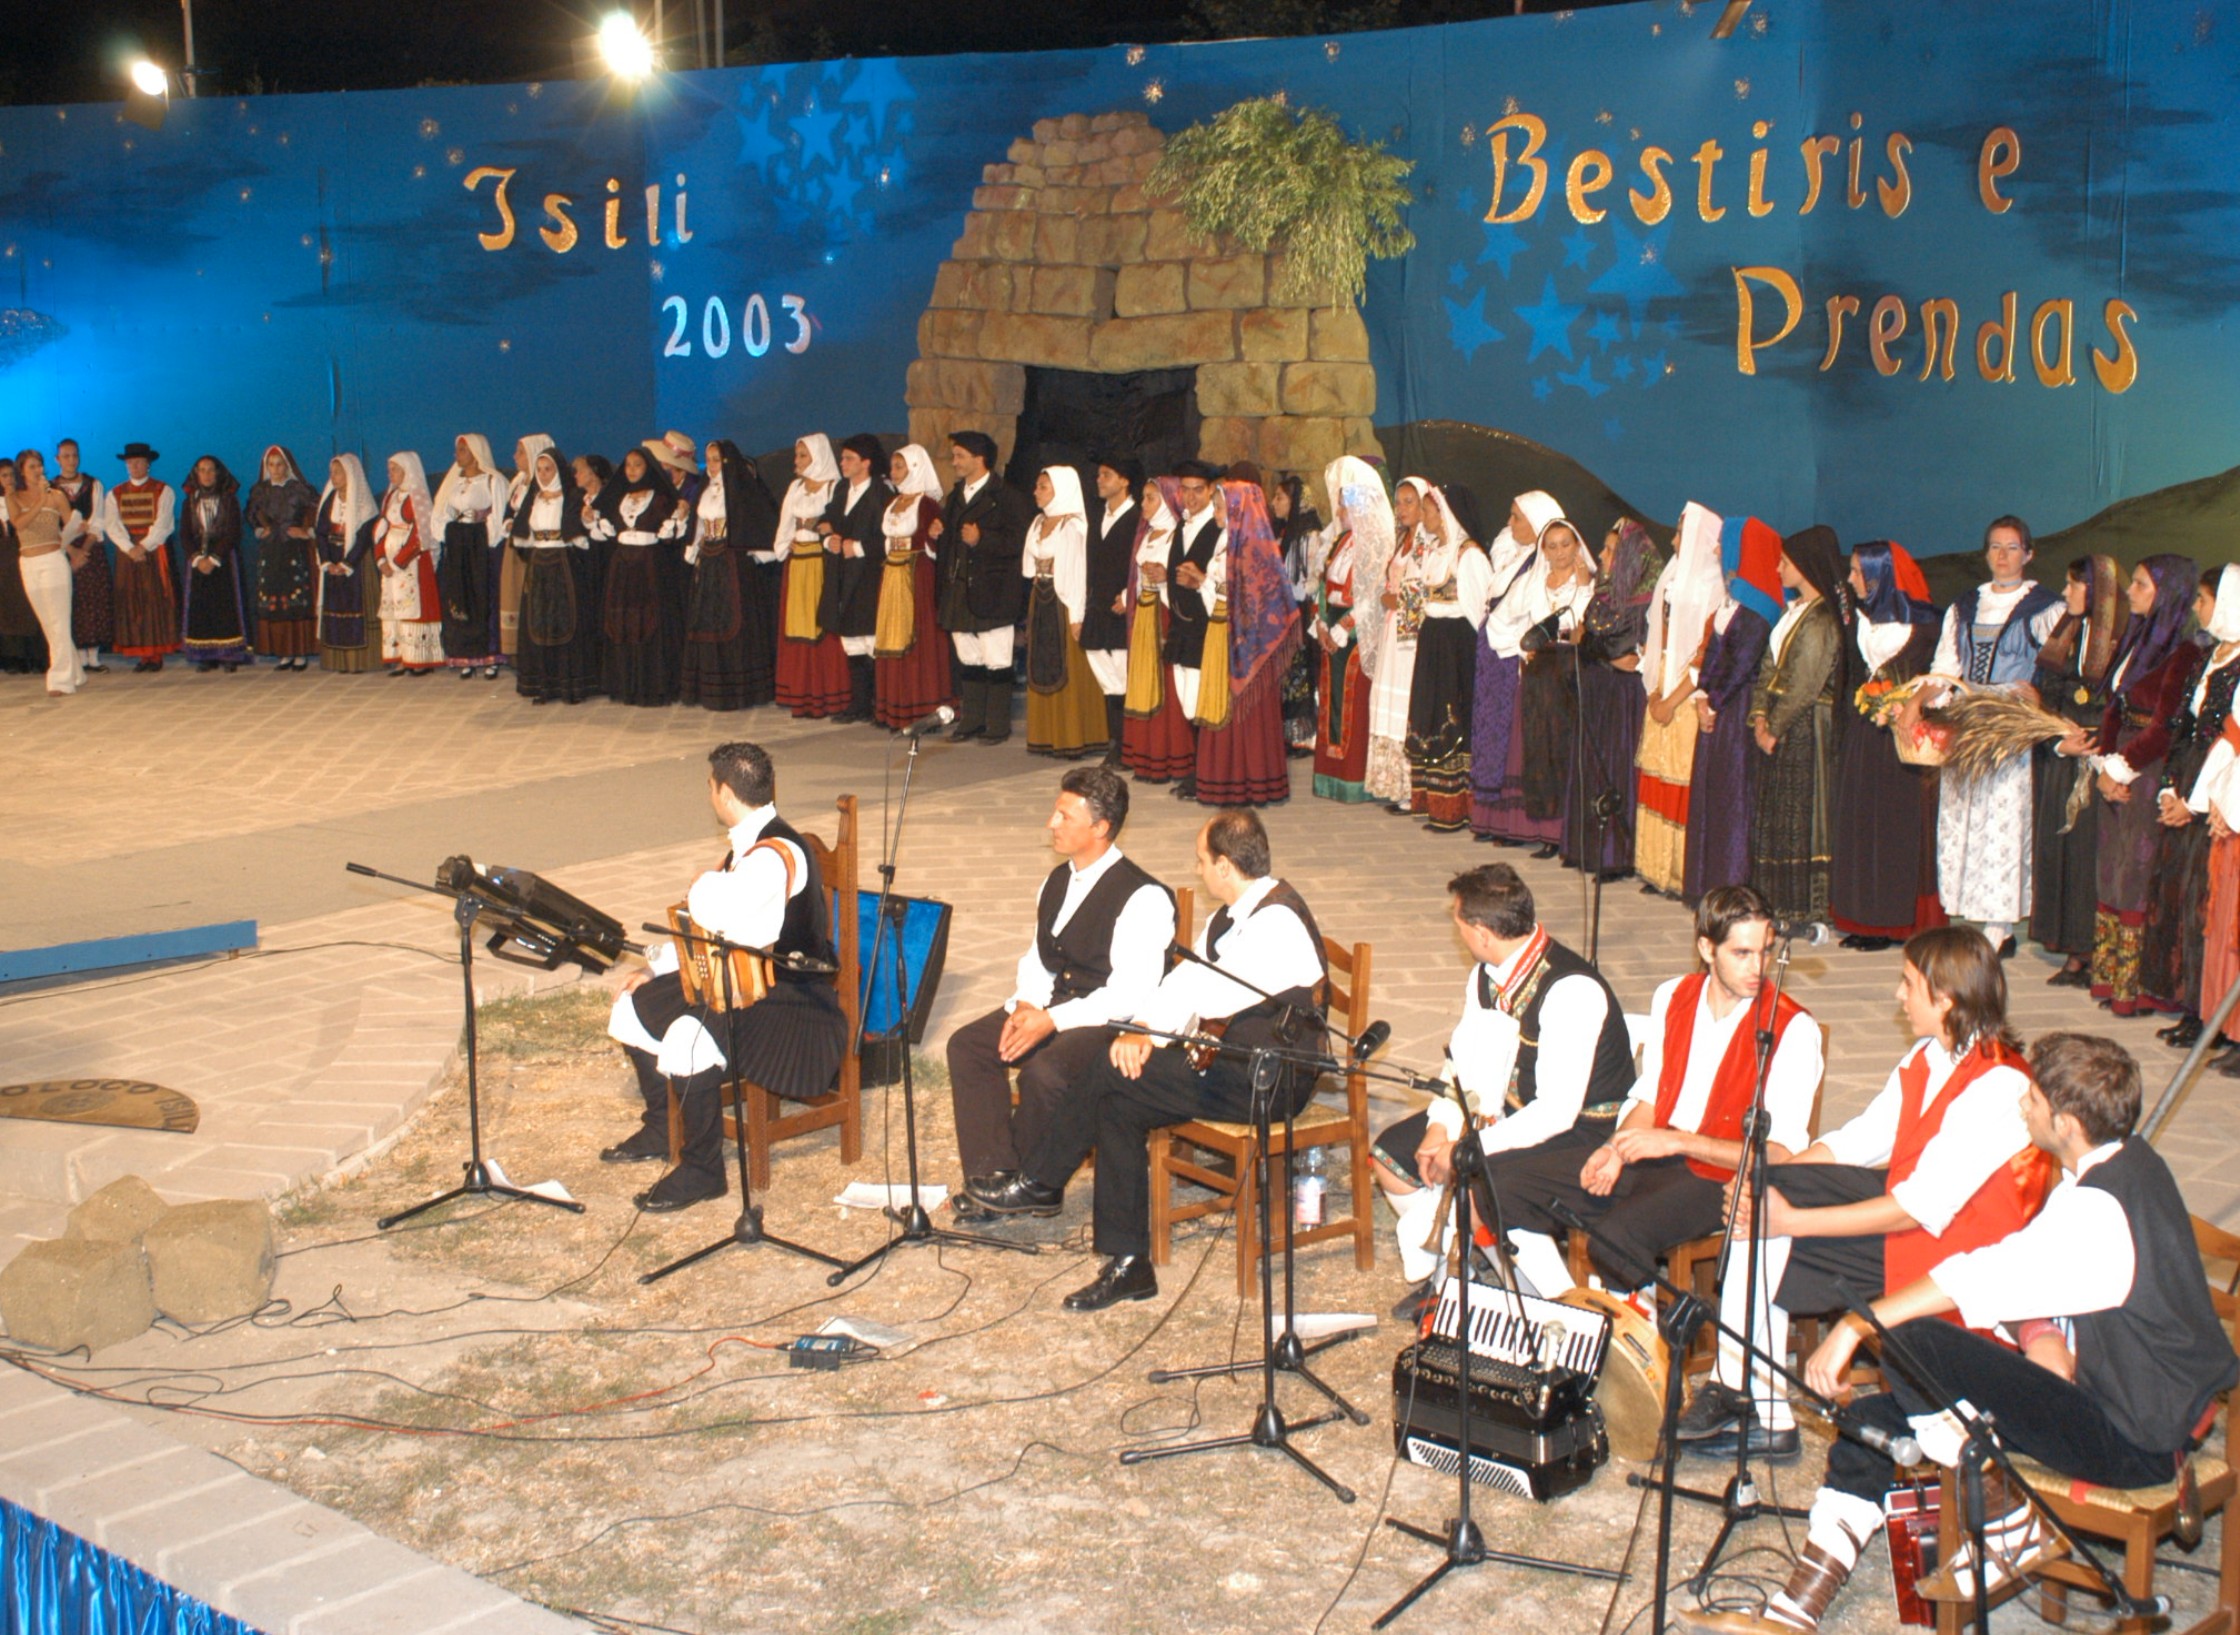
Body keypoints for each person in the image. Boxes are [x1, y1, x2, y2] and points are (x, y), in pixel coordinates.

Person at [1686, 1032, 2240, 1633]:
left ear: (2069, 1122)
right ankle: (1795, 1612)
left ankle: (2005, 1518)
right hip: (2105, 1397)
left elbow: (1979, 1277)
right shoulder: (2127, 1163)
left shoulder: (2097, 1211)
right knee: (1875, 1421)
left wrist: (1855, 1324)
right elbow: (2038, 1273)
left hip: (2134, 1441)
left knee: (1913, 1339)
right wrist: (2041, 1334)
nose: (2022, 1107)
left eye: (2031, 1099)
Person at [1676, 926, 2052, 1461]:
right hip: (1914, 1223)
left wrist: (1793, 1220)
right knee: (1760, 1202)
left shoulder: (1999, 1084)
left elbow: (1914, 1209)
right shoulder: (1927, 1056)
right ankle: (1750, 1398)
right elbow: (1861, 1140)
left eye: (1908, 984)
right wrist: (1769, 1179)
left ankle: (1751, 1400)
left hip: (1955, 1252)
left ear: (1945, 999)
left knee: (1774, 1230)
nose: (1898, 996)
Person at [973, 811, 1326, 1312]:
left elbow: (1212, 993)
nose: (1199, 871)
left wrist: (1144, 1036)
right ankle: (1128, 1263)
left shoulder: (1277, 922)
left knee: (1110, 1069)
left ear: (1226, 866)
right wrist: (1143, 1031)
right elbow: (1182, 982)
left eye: (1203, 862)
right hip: (1227, 1061)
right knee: (1119, 1101)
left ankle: (1041, 1179)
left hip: (1268, 1079)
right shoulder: (1230, 915)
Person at [1478, 885, 1824, 1299]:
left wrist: (1675, 1141)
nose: (1758, 966)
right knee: (1497, 1182)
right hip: (1659, 1154)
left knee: (1616, 1235)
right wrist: (1615, 1148)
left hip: (1723, 1177)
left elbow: (1781, 1154)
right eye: (1742, 953)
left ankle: (1641, 1338)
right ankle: (1569, 1308)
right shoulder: (1673, 995)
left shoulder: (1792, 1029)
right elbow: (1651, 1094)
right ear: (1707, 948)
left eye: (1765, 951)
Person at [1370, 863, 1635, 1305]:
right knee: (1390, 1157)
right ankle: (1458, 1271)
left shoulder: (1571, 991)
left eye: (1460, 926)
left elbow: (1555, 1112)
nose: (1460, 937)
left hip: (1581, 1131)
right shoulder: (1485, 975)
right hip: (1504, 1111)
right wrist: (1441, 1125)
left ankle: (1549, 1305)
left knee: (1485, 1183)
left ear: (1482, 932)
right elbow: (1463, 1060)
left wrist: (1469, 1148)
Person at [604, 741, 849, 1210]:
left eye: (711, 787)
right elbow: (715, 941)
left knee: (685, 1036)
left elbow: (715, 913)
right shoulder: (748, 847)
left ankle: (702, 1171)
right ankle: (662, 1125)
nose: (710, 796)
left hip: (790, 1005)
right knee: (632, 1004)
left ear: (726, 794)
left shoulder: (770, 857)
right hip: (742, 982)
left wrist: (704, 883)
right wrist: (655, 968)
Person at [946, 768, 1175, 1215]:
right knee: (969, 1046)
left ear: (1100, 828)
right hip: (1054, 1004)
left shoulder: (1144, 897)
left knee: (1046, 1072)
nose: (1051, 823)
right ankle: (995, 1175)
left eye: (1064, 816)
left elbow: (1130, 993)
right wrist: (1028, 1003)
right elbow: (1039, 956)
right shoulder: (1055, 880)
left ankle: (1034, 1183)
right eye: (1055, 812)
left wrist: (1051, 1021)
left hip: (1111, 1022)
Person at [1929, 516, 2064, 956]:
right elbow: (1946, 668)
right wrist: (1919, 701)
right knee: (1962, 818)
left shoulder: (2045, 606)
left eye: (2011, 548)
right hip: (1969, 722)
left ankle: (1999, 924)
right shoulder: (1965, 606)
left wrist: (2038, 694)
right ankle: (1968, 914)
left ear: (2028, 553)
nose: (2002, 557)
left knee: (2002, 825)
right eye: (1994, 547)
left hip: (2009, 728)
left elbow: (2060, 666)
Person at [2085, 554, 2203, 1013]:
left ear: (2166, 592)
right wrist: (2103, 767)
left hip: (2146, 768)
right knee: (2111, 865)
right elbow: (2113, 706)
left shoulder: (2184, 651)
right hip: (2119, 762)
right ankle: (2108, 977)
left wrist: (2122, 768)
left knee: (2136, 870)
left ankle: (2132, 988)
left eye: (2139, 584)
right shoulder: (2136, 639)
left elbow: (2166, 724)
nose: (2129, 592)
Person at [2140, 565, 2240, 1038]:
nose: (2199, 609)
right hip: (2190, 780)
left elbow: (2229, 744)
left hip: (2218, 792)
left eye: (2206, 599)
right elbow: (2182, 726)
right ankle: (2193, 1006)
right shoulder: (2209, 657)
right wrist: (2168, 789)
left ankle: (2213, 1018)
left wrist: (2197, 803)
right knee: (2181, 901)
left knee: (2208, 908)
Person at [1830, 541, 1944, 949]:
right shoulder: (1861, 621)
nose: (1851, 579)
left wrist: (1910, 705)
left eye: (1858, 571)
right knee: (1862, 820)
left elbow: (1940, 679)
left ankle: (1892, 919)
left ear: (1880, 576)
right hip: (1866, 732)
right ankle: (1863, 914)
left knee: (1896, 826)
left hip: (1906, 739)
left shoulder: (1927, 626)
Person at [2030, 556, 2127, 986]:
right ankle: (2072, 948)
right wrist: (2056, 739)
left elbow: (2122, 705)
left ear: (2098, 592)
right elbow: (2042, 695)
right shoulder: (2065, 636)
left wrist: (2090, 743)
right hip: (2062, 757)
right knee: (2062, 852)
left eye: (2074, 586)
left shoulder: (2123, 643)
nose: (2066, 593)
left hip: (2097, 757)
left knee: (2089, 856)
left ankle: (2090, 951)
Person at [1746, 527, 1845, 925]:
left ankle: (1802, 903)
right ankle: (1778, 899)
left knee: (1802, 813)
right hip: (1782, 723)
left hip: (1805, 728)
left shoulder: (1821, 619)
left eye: (1785, 562)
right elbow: (1769, 665)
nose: (1778, 567)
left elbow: (1806, 683)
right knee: (1780, 813)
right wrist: (1758, 715)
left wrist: (1775, 725)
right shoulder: (1796, 611)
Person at [1684, 518, 1782, 905]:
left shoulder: (1759, 610)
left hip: (1738, 711)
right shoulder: (1735, 602)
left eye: (1725, 544)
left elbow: (1742, 663)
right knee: (1714, 792)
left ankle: (1732, 881)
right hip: (1720, 707)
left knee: (1733, 795)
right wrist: (1702, 696)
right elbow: (1715, 654)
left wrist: (1714, 699)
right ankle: (1710, 880)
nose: (1717, 551)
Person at [1189, 476, 1297, 807]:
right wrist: (1203, 583)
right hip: (1219, 628)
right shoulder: (1225, 540)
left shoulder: (1254, 546)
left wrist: (1216, 588)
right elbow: (1223, 588)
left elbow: (1262, 599)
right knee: (1218, 704)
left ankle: (1248, 781)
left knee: (1242, 712)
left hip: (1246, 642)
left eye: (1221, 506)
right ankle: (1219, 780)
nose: (1216, 511)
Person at [1635, 503, 1725, 895]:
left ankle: (1680, 871)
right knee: (1656, 776)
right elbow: (1659, 634)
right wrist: (1655, 687)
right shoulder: (1672, 576)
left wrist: (1672, 700)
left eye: (1680, 534)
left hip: (1689, 693)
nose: (1673, 542)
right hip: (1663, 683)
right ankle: (1655, 867)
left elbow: (1707, 653)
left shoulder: (1715, 585)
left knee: (1683, 780)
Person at [1468, 489, 1566, 843]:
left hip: (1515, 657)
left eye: (1516, 518)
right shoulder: (1516, 557)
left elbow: (1532, 613)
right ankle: (1492, 816)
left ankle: (1516, 822)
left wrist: (1509, 643)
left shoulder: (1541, 565)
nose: (1509, 524)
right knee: (1493, 734)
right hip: (1496, 655)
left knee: (1513, 739)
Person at [1566, 517, 1661, 875]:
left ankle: (1614, 853)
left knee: (1614, 767)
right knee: (1590, 763)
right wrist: (1597, 647)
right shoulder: (1604, 595)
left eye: (1610, 550)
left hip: (1622, 698)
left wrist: (1596, 646)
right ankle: (1587, 846)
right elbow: (1582, 639)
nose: (1602, 556)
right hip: (1597, 689)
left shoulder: (1645, 601)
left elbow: (1628, 656)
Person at [1403, 484, 1493, 831]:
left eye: (1428, 510)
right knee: (1430, 714)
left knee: (1453, 718)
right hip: (1434, 642)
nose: (1424, 517)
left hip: (1457, 646)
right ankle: (1435, 803)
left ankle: (1457, 807)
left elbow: (1478, 610)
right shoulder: (1438, 551)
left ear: (1446, 514)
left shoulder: (1468, 555)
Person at [1512, 516, 1602, 860]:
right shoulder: (1537, 581)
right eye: (1552, 546)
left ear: (1578, 546)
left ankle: (1570, 829)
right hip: (1539, 669)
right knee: (1540, 746)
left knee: (1567, 744)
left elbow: (1583, 625)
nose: (1560, 552)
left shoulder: (1588, 585)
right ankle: (1548, 830)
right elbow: (1520, 620)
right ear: (1543, 551)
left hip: (1570, 667)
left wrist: (1582, 587)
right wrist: (1525, 649)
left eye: (1567, 544)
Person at [937, 431, 1033, 745]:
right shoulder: (955, 496)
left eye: (960, 456)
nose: (955, 462)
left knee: (997, 658)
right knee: (968, 658)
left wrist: (983, 540)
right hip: (960, 591)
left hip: (994, 591)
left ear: (980, 459)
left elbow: (1020, 543)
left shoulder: (1008, 496)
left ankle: (997, 724)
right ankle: (972, 720)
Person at [1140, 462, 1227, 796]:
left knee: (1204, 700)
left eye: (1198, 490)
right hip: (1181, 626)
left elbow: (1220, 582)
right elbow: (1177, 579)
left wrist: (1198, 580)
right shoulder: (1181, 527)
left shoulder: (1219, 531)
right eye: (1185, 489)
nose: (1190, 496)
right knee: (1188, 701)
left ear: (1210, 491)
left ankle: (1205, 773)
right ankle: (1197, 770)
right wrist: (1165, 578)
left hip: (1207, 628)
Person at [675, 439, 780, 712]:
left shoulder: (742, 490)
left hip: (734, 563)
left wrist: (756, 552)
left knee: (735, 622)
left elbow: (760, 521)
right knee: (706, 621)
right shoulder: (704, 490)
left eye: (716, 459)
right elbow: (698, 527)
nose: (711, 465)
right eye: (708, 459)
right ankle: (709, 688)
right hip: (709, 561)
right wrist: (692, 552)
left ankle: (737, 689)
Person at [1310, 455, 1391, 804]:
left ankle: (1354, 779)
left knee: (1354, 704)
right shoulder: (1342, 540)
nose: (1340, 505)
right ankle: (1331, 777)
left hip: (1358, 634)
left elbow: (1373, 594)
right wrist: (1321, 622)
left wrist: (1344, 627)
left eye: (1346, 499)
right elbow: (1323, 584)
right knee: (1331, 701)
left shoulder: (1377, 543)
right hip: (1333, 631)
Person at [1021, 465, 1110, 758]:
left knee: (1069, 667)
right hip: (1042, 597)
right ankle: (1045, 734)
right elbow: (1029, 568)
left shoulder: (1072, 526)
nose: (1037, 491)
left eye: (1043, 487)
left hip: (1064, 602)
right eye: (1037, 485)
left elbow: (1075, 573)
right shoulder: (1038, 522)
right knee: (1042, 663)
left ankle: (1073, 736)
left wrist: (1076, 616)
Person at [587, 447, 688, 706]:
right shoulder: (617, 498)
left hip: (650, 567)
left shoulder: (661, 499)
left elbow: (669, 536)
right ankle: (624, 683)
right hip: (622, 567)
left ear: (649, 468)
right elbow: (604, 532)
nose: (631, 470)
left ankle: (651, 684)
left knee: (649, 620)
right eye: (628, 464)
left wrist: (679, 516)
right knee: (622, 620)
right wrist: (592, 519)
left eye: (637, 465)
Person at [508, 444, 601, 705]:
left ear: (558, 470)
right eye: (539, 470)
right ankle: (543, 684)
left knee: (566, 622)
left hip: (562, 562)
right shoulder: (534, 497)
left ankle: (569, 685)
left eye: (548, 469)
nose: (544, 474)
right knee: (539, 624)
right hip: (539, 564)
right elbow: (523, 533)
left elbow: (578, 531)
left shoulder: (572, 497)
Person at [1120, 479, 1198, 783]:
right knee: (1145, 681)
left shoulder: (1178, 536)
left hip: (1165, 614)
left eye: (1151, 498)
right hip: (1145, 614)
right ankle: (1147, 756)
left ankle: (1171, 756)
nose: (1144, 505)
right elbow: (1136, 579)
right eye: (1144, 498)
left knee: (1167, 686)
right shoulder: (1148, 535)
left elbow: (1186, 579)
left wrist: (1165, 579)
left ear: (1167, 502)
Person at [871, 443, 951, 730]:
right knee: (892, 634)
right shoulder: (893, 502)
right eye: (893, 466)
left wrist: (933, 537)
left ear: (915, 468)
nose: (893, 472)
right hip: (892, 573)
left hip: (916, 574)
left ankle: (921, 705)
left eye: (899, 466)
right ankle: (893, 705)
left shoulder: (927, 504)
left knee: (918, 637)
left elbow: (935, 543)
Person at [773, 434, 848, 718]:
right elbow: (785, 522)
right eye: (797, 456)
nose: (797, 462)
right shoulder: (796, 487)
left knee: (822, 624)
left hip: (821, 562)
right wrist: (785, 545)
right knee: (799, 625)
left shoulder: (832, 487)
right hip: (798, 563)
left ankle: (827, 693)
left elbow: (836, 525)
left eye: (803, 456)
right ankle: (800, 693)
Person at [817, 433, 891, 724]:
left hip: (869, 575)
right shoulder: (841, 490)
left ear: (867, 463)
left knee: (871, 639)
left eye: (849, 458)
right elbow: (827, 522)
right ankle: (859, 702)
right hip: (842, 575)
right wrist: (830, 541)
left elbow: (889, 537)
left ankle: (879, 705)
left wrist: (857, 547)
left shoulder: (882, 495)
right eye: (843, 457)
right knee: (851, 640)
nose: (842, 463)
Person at [1365, 477, 1429, 807]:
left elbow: (1429, 589)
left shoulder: (1427, 544)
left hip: (1411, 636)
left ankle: (1411, 788)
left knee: (1405, 703)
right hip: (1393, 632)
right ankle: (1393, 784)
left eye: (1409, 502)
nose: (1402, 509)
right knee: (1388, 698)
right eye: (1399, 502)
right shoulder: (1403, 540)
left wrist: (1397, 600)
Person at [432, 434, 511, 680]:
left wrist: (480, 536)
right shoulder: (453, 482)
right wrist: (450, 532)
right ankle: (465, 655)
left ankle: (489, 655)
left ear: (476, 451)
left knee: (483, 598)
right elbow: (442, 512)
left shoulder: (493, 480)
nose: (457, 455)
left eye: (463, 450)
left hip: (482, 549)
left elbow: (498, 517)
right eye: (457, 450)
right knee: (459, 597)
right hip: (458, 548)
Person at [1080, 459, 1143, 765]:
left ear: (1125, 480)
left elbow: (1143, 560)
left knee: (1125, 677)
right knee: (1108, 679)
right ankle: (1117, 742)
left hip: (1122, 609)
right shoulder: (1097, 516)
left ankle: (1130, 746)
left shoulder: (1138, 518)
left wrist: (1129, 594)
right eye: (1099, 474)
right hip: (1098, 608)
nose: (1099, 480)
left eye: (1107, 475)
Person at [9, 451, 80, 697]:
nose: (37, 470)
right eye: (32, 467)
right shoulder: (13, 497)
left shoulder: (57, 496)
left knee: (59, 620)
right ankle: (76, 671)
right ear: (22, 471)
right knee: (48, 622)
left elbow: (70, 524)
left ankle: (60, 680)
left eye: (40, 465)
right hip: (28, 562)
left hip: (53, 561)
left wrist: (76, 529)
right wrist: (39, 499)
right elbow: (19, 524)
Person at [103, 442, 179, 673]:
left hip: (154, 553)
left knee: (154, 600)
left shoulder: (163, 490)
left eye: (138, 461)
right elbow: (112, 525)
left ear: (148, 464)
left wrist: (143, 547)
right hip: (128, 555)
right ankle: (140, 653)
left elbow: (164, 524)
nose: (134, 466)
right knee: (131, 601)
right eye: (130, 462)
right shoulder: (115, 493)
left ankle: (155, 654)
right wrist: (129, 548)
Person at [246, 447, 321, 670]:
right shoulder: (259, 490)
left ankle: (299, 652)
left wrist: (307, 532)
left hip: (294, 551)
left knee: (295, 600)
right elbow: (250, 515)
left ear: (287, 466)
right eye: (271, 465)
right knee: (274, 601)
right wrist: (260, 530)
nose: (275, 469)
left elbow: (320, 512)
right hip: (270, 552)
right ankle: (283, 652)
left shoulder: (300, 490)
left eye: (280, 464)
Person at [178, 456, 250, 673]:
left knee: (225, 605)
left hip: (223, 560)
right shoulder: (189, 502)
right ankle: (206, 655)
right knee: (202, 607)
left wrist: (215, 557)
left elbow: (233, 531)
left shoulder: (229, 501)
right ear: (196, 474)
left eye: (210, 470)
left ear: (218, 473)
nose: (207, 475)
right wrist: (197, 558)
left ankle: (229, 654)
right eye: (202, 470)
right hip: (198, 561)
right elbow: (184, 534)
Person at [374, 452, 443, 675]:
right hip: (391, 564)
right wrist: (381, 558)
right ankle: (402, 656)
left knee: (413, 607)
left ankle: (419, 659)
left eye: (395, 469)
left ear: (408, 471)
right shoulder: (391, 496)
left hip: (412, 564)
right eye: (389, 469)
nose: (390, 474)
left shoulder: (418, 497)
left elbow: (421, 534)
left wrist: (399, 560)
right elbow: (381, 528)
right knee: (395, 608)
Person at [1271, 472, 1324, 757]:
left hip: (1300, 615)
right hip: (1284, 614)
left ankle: (1303, 736)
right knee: (1288, 674)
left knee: (1300, 673)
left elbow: (1312, 581)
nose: (1273, 502)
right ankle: (1287, 734)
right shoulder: (1284, 534)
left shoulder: (1310, 537)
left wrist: (1291, 594)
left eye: (1279, 497)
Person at [313, 455, 378, 674]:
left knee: (356, 605)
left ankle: (359, 661)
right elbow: (321, 531)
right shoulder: (330, 499)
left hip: (356, 562)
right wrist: (327, 562)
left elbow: (364, 534)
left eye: (338, 472)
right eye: (331, 472)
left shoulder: (362, 502)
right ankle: (338, 661)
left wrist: (348, 563)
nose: (333, 477)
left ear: (350, 474)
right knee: (335, 607)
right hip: (332, 558)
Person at [51, 440, 111, 675]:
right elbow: (51, 524)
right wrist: (71, 551)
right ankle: (75, 656)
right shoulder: (51, 488)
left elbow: (97, 520)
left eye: (74, 455)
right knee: (70, 599)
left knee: (93, 598)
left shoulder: (93, 484)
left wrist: (83, 550)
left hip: (90, 548)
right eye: (65, 456)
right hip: (63, 549)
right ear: (57, 459)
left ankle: (93, 657)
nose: (71, 460)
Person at [500, 435, 556, 667]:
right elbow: (508, 513)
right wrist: (509, 525)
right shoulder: (519, 482)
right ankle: (515, 648)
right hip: (514, 546)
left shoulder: (543, 487)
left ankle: (530, 648)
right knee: (512, 594)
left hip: (533, 550)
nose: (515, 457)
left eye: (520, 452)